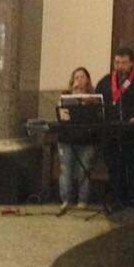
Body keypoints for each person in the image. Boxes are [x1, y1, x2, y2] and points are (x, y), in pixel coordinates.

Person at [96, 46, 134, 208]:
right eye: (117, 62)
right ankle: (117, 200)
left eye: (123, 63)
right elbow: (97, 103)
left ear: (131, 63)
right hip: (112, 134)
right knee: (115, 168)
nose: (120, 66)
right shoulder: (105, 82)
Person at [57, 66, 98, 215]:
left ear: (87, 80)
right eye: (76, 77)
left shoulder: (93, 98)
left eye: (82, 77)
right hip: (67, 139)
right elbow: (61, 115)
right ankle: (66, 199)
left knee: (84, 169)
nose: (79, 80)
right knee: (66, 170)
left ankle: (83, 200)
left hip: (86, 139)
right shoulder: (65, 96)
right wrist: (73, 96)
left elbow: (96, 118)